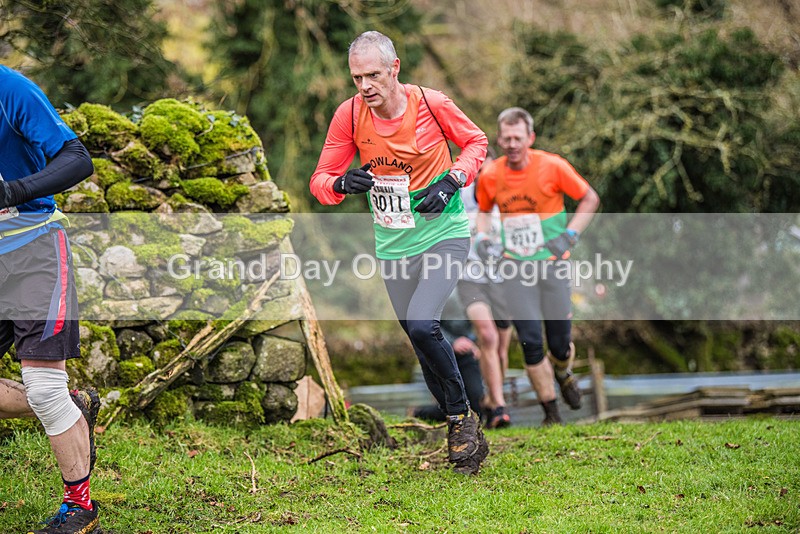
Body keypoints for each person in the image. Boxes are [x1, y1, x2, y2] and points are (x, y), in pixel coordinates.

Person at [310, 31, 489, 474]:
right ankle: (461, 426)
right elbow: (320, 181)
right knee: (419, 338)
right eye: (357, 77)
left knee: (423, 323)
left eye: (373, 74)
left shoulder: (431, 104)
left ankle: (462, 419)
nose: (365, 85)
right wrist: (341, 183)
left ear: (395, 68)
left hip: (444, 234)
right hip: (393, 246)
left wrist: (452, 180)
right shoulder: (349, 115)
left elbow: (476, 143)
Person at [0, 65, 100, 533]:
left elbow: (78, 158)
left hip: (33, 248)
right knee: (52, 399)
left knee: (43, 388)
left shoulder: (10, 88)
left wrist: (13, 191)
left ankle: (79, 509)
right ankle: (73, 407)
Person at [475, 107, 600, 426]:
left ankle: (563, 371)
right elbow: (484, 211)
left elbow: (590, 198)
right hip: (515, 267)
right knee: (530, 341)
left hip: (552, 265)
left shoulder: (553, 166)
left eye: (518, 138)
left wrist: (570, 235)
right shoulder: (491, 174)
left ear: (530, 138)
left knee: (559, 343)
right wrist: (484, 239)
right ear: (500, 140)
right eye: (506, 139)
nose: (512, 144)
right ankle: (552, 414)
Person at [458, 148, 514, 428]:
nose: (483, 177)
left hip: (503, 278)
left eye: (488, 171)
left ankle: (493, 401)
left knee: (501, 348)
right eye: (477, 171)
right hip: (470, 277)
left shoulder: (505, 199)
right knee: (488, 337)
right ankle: (501, 407)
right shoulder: (459, 198)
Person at [412, 289, 484, 423]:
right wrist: (452, 342)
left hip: (466, 355)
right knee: (449, 402)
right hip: (441, 352)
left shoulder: (472, 288)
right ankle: (419, 413)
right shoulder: (437, 288)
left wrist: (472, 342)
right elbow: (425, 326)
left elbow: (477, 327)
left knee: (475, 402)